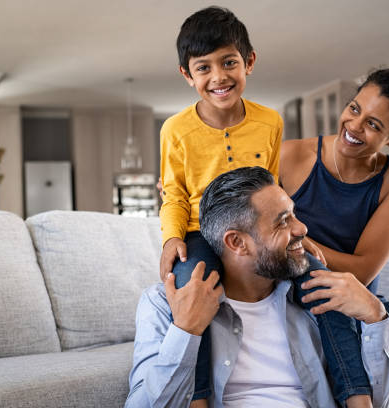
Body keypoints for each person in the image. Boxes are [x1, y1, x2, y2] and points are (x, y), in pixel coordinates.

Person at [159, 6, 372, 406]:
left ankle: (356, 394)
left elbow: (272, 188)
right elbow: (173, 193)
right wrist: (172, 238)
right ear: (187, 75)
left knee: (322, 280)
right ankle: (199, 398)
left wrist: (290, 231)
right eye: (203, 68)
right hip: (199, 230)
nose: (218, 76)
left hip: (258, 229)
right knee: (192, 289)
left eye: (229, 62)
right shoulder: (175, 130)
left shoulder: (270, 121)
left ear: (249, 62)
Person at [126, 166, 389, 408]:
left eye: (294, 215)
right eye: (283, 221)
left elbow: (378, 403)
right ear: (237, 242)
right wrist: (185, 331)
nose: (302, 229)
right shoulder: (164, 304)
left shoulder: (318, 298)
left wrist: (375, 315)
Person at [280, 59, 389, 408]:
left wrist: (303, 243)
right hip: (296, 288)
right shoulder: (290, 155)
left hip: (358, 299)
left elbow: (362, 270)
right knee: (319, 289)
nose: (354, 126)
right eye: (354, 108)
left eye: (373, 124)